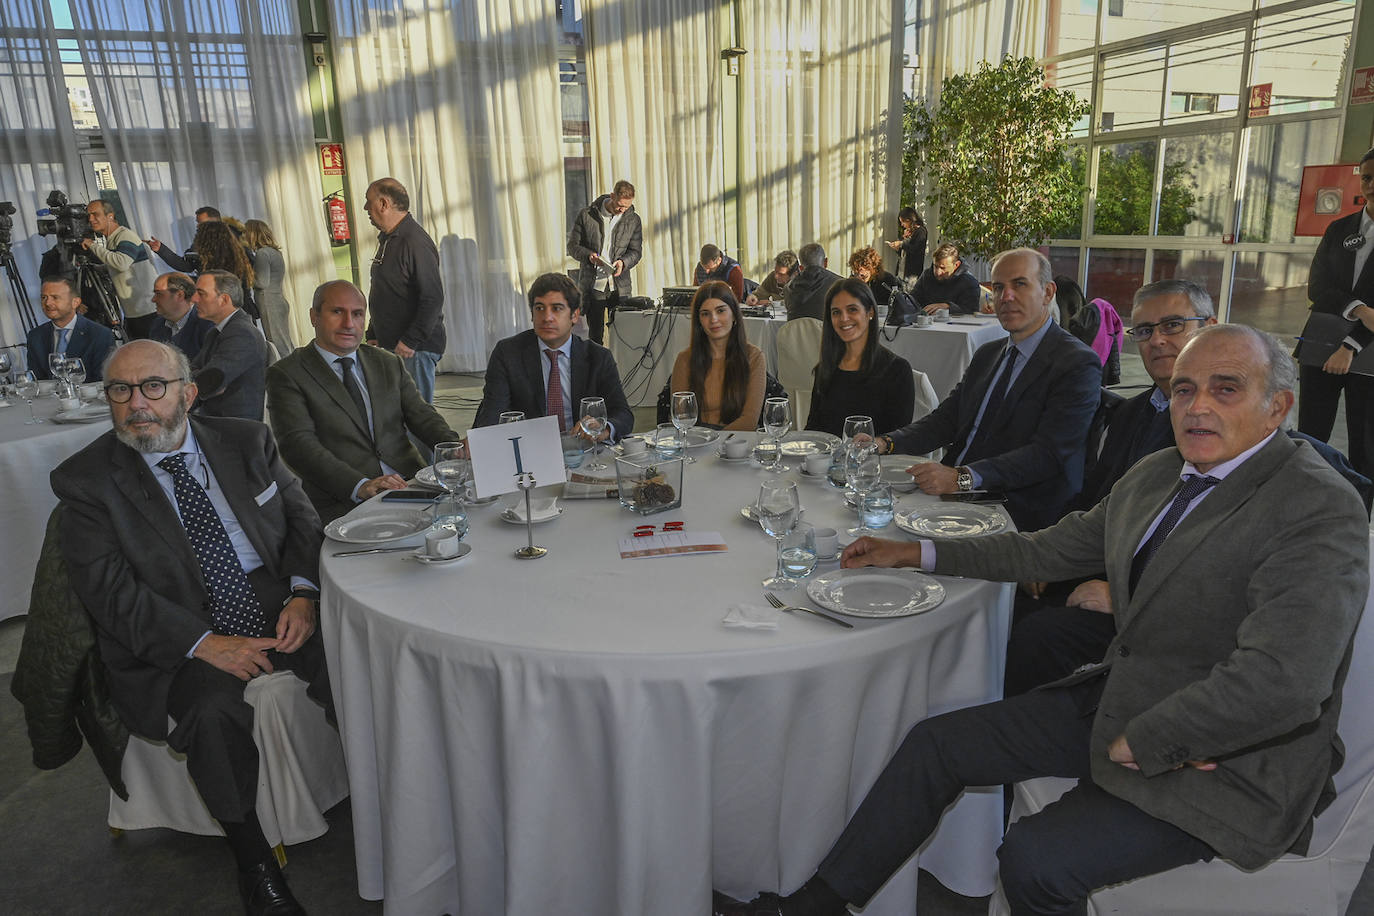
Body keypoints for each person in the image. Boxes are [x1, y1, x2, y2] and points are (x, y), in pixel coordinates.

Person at [718, 324, 1369, 916]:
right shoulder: (1161, 472)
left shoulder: (1316, 506)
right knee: (935, 745)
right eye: (1184, 390)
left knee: (1035, 860)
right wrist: (916, 551)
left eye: (1226, 389)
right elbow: (1045, 549)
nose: (1197, 405)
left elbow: (1284, 681)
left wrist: (1153, 739)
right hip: (1125, 698)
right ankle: (813, 907)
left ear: (1277, 407)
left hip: (1231, 758)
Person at [52, 339, 331, 916]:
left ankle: (399, 800)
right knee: (209, 714)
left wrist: (304, 593)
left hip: (275, 600)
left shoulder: (247, 440)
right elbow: (110, 594)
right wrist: (205, 644)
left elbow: (303, 518)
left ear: (187, 392)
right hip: (173, 626)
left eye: (153, 386)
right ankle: (254, 866)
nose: (137, 404)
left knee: (358, 657)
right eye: (121, 390)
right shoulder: (86, 481)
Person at [1005, 278, 1216, 695]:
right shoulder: (1132, 412)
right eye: (1144, 330)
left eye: (1173, 325)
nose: (1156, 341)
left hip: (1161, 608)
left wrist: (1126, 594)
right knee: (999, 601)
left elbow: (1211, 550)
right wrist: (1050, 556)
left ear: (1208, 327)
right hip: (1098, 563)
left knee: (1036, 636)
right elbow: (1097, 501)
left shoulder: (1222, 428)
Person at [876, 248, 1101, 532]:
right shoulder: (988, 354)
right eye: (998, 287)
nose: (1006, 297)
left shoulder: (1076, 363)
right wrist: (884, 444)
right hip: (955, 497)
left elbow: (1048, 454)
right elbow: (945, 420)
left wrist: (961, 477)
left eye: (1019, 284)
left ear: (1047, 292)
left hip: (1015, 509)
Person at [267, 280, 462, 523]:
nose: (349, 323)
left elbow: (421, 414)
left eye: (357, 314)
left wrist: (453, 447)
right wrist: (359, 485)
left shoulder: (387, 362)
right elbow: (298, 445)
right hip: (343, 500)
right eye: (337, 312)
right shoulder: (288, 373)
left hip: (410, 485)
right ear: (313, 316)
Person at [474, 272, 633, 439]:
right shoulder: (508, 354)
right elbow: (491, 417)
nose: (547, 318)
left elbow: (623, 414)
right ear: (532, 314)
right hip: (529, 449)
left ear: (574, 315)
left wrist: (604, 428)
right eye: (539, 308)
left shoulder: (598, 357)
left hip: (583, 450)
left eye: (557, 309)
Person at [1296, 147, 1374, 478]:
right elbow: (1317, 287)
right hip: (1321, 345)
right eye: (1367, 178)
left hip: (1368, 353)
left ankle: (1355, 515)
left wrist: (1350, 346)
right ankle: (1305, 506)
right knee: (1310, 438)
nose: (1371, 184)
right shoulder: (1339, 229)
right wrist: (1359, 309)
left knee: (1366, 446)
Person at [362, 177, 446, 403]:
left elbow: (432, 297)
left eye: (368, 202)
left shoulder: (414, 241)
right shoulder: (390, 239)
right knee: (397, 414)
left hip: (414, 350)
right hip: (395, 345)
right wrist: (374, 333)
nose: (365, 209)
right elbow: (386, 292)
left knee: (417, 417)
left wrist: (411, 340)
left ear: (383, 204)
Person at [803, 278, 914, 436]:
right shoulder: (826, 368)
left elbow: (898, 439)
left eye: (852, 309)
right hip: (828, 459)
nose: (844, 318)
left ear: (870, 312)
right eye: (836, 312)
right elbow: (813, 429)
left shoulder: (897, 370)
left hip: (876, 460)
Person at [669, 281, 766, 431]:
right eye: (705, 314)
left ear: (734, 314)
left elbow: (749, 421)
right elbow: (681, 418)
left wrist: (715, 443)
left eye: (720, 311)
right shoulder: (684, 359)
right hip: (696, 443)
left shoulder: (754, 357)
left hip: (737, 445)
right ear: (699, 321)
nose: (713, 319)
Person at [567, 179, 643, 346]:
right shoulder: (587, 215)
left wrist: (623, 262)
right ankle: (597, 371)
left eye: (626, 207)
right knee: (595, 337)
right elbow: (572, 246)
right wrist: (589, 256)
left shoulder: (633, 220)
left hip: (620, 286)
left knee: (623, 336)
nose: (622, 210)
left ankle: (620, 370)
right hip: (594, 285)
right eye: (619, 206)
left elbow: (636, 252)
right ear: (612, 196)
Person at [190, 270, 269, 421]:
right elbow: (192, 371)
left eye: (201, 294)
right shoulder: (218, 331)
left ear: (224, 300)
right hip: (216, 418)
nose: (194, 299)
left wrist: (203, 378)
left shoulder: (241, 333)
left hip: (233, 427)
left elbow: (209, 381)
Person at [82, 200, 158, 339]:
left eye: (95, 214)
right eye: (89, 216)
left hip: (147, 311)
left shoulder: (124, 235)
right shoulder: (112, 239)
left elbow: (121, 263)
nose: (91, 219)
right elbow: (122, 267)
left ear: (110, 216)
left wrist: (92, 245)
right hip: (133, 312)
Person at [25, 276, 115, 381]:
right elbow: (36, 380)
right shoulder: (35, 336)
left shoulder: (100, 334)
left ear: (75, 303)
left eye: (55, 297)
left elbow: (103, 380)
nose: (48, 303)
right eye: (44, 297)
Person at [242, 219, 296, 359]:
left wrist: (246, 273)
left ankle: (289, 376)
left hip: (269, 303)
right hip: (278, 300)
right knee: (285, 343)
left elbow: (262, 282)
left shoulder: (262, 254)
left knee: (278, 346)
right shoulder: (275, 252)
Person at [149, 271, 216, 359]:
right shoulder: (158, 325)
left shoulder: (208, 327)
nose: (153, 299)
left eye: (159, 294)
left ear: (180, 295)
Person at [911, 242, 981, 316]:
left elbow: (971, 311)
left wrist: (948, 307)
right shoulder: (927, 275)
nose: (938, 272)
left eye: (942, 268)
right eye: (935, 266)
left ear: (956, 265)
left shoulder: (969, 283)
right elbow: (913, 300)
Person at [784, 243, 842, 322]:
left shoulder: (788, 288)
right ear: (825, 262)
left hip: (796, 333)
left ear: (801, 268)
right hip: (827, 334)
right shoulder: (841, 285)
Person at [884, 207, 927, 285]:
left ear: (909, 220)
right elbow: (903, 252)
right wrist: (898, 247)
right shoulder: (908, 232)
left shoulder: (921, 232)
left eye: (903, 222)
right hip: (901, 271)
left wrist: (901, 243)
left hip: (912, 273)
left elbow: (915, 249)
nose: (902, 225)